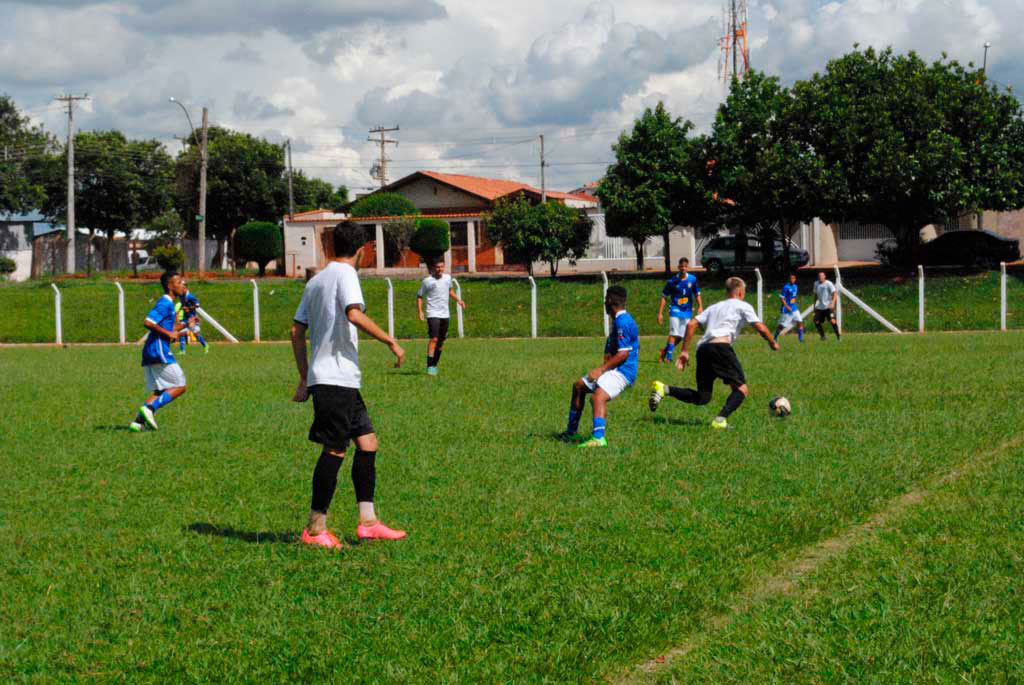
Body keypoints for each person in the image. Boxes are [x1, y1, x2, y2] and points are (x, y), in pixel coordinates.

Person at [291, 221, 408, 550]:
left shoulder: (316, 281)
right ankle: (315, 530)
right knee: (335, 449)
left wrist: (304, 376)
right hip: (335, 379)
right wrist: (390, 341)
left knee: (368, 443)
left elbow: (296, 331)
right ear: (361, 250)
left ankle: (368, 523)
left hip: (337, 379)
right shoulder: (345, 275)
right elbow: (354, 314)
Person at [649, 276, 779, 429]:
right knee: (741, 389)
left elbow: (691, 324)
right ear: (740, 292)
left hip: (703, 350)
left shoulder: (714, 307)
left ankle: (663, 389)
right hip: (721, 348)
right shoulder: (742, 306)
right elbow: (761, 328)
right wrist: (772, 342)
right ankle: (720, 420)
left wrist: (684, 351)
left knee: (703, 397)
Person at [560, 285, 639, 449]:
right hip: (615, 369)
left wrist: (601, 370)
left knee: (598, 397)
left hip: (623, 372)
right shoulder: (619, 320)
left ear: (610, 301)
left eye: (605, 300)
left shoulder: (623, 322)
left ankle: (598, 438)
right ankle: (571, 431)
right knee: (579, 386)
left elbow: (623, 354)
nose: (604, 303)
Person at [129, 271, 188, 432]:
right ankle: (149, 409)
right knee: (180, 385)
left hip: (152, 350)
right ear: (170, 286)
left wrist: (185, 324)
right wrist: (169, 334)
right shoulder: (165, 303)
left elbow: (168, 327)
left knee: (162, 389)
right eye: (179, 282)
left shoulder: (169, 304)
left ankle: (138, 422)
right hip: (159, 349)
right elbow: (148, 322)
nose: (183, 285)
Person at [416, 257, 466, 375]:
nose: (440, 269)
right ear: (433, 268)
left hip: (445, 314)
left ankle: (434, 365)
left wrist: (458, 300)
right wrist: (420, 311)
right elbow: (419, 296)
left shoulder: (448, 278)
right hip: (433, 313)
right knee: (434, 339)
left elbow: (450, 291)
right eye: (438, 267)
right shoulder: (427, 281)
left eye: (442, 267)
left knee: (441, 342)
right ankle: (430, 366)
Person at [657, 257, 703, 363]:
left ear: (688, 267)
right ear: (678, 267)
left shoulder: (692, 279)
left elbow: (697, 294)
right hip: (675, 309)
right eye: (681, 266)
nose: (683, 268)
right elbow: (664, 297)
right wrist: (660, 313)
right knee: (673, 333)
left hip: (687, 311)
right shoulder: (672, 281)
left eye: (685, 266)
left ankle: (664, 351)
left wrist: (700, 306)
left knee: (682, 336)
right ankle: (669, 357)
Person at [177, 285, 209, 355]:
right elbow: (182, 305)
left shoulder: (190, 296)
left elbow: (197, 305)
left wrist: (189, 308)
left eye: (183, 289)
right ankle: (182, 351)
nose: (181, 290)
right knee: (181, 332)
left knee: (196, 334)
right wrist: (180, 310)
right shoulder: (181, 296)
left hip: (192, 317)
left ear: (186, 289)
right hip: (185, 318)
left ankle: (205, 345)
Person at [774, 273, 805, 342]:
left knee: (800, 321)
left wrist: (793, 303)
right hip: (786, 310)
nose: (792, 280)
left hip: (794, 308)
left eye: (793, 278)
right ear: (789, 279)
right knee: (782, 326)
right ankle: (775, 337)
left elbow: (792, 298)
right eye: (791, 278)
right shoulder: (786, 287)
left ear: (795, 279)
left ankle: (801, 340)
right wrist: (787, 306)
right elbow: (782, 298)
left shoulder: (795, 286)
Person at [813, 271, 841, 340]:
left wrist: (833, 303)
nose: (820, 277)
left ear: (824, 277)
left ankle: (838, 337)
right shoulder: (816, 284)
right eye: (819, 276)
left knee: (833, 321)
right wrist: (814, 306)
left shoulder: (828, 283)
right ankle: (823, 336)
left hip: (828, 307)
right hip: (820, 307)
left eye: (822, 276)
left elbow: (834, 294)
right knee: (816, 321)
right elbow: (815, 296)